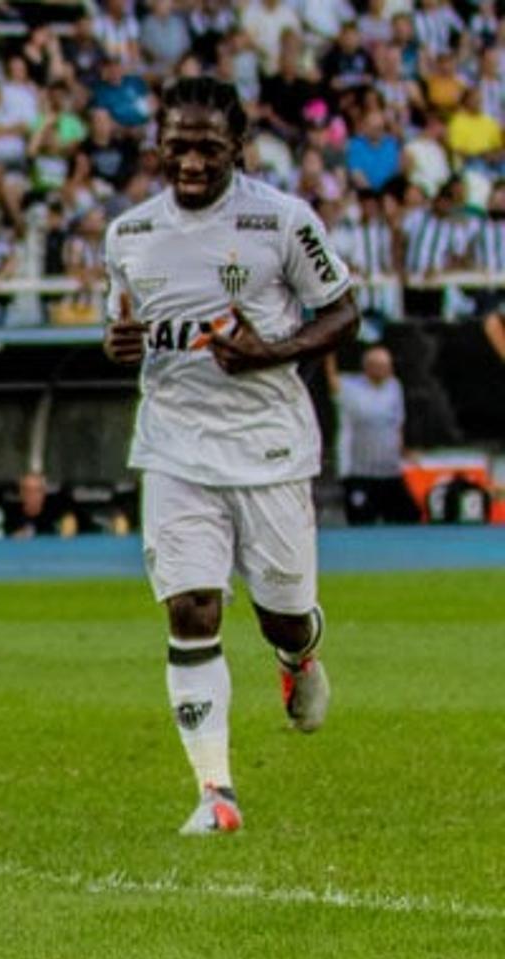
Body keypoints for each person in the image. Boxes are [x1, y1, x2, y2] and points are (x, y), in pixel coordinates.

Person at [103, 78, 360, 836]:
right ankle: (216, 793)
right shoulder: (128, 236)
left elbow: (345, 309)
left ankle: (297, 662)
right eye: (177, 145)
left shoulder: (280, 220)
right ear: (158, 145)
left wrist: (274, 352)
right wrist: (116, 344)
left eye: (207, 147)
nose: (190, 161)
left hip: (269, 445)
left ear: (236, 148)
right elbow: (127, 328)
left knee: (284, 615)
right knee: (191, 607)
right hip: (176, 445)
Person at [327, 346, 417, 525]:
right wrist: (329, 353)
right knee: (362, 522)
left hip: (390, 471)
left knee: (408, 517)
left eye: (387, 365)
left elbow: (397, 424)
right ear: (367, 366)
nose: (385, 369)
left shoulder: (394, 386)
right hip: (359, 473)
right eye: (379, 365)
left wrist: (403, 450)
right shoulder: (349, 387)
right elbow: (332, 380)